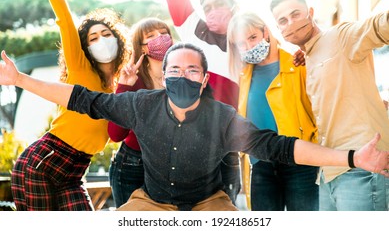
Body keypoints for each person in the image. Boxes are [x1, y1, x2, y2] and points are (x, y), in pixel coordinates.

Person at [1, 44, 388, 211]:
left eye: (191, 71)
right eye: (174, 71)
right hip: (150, 201)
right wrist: (20, 81)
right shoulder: (140, 104)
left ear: (204, 80)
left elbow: (282, 147)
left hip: (209, 202)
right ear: (164, 76)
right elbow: (81, 98)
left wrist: (353, 157)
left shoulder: (222, 118)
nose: (182, 77)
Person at [12, 0, 129, 210]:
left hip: (75, 173)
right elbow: (64, 17)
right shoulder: (80, 67)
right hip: (41, 164)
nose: (100, 40)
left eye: (106, 34)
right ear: (85, 47)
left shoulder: (121, 88)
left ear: (118, 39)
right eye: (93, 38)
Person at [270, 0, 389, 211]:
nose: (291, 23)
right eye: (283, 21)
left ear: (311, 13)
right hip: (329, 172)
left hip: (363, 169)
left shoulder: (341, 37)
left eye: (296, 14)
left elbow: (378, 26)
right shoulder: (308, 57)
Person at [157, 0, 241, 203]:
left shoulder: (252, 42)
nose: (213, 11)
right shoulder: (194, 30)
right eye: (207, 8)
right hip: (193, 141)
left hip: (230, 147)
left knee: (225, 208)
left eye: (219, 5)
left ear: (235, 8)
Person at [226, 11, 318, 211]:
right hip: (260, 164)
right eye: (242, 43)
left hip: (300, 160)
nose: (250, 46)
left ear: (265, 32)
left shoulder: (298, 64)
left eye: (253, 37)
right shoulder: (241, 76)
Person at [108, 17, 172, 208]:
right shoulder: (134, 81)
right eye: (151, 36)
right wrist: (124, 88)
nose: (160, 38)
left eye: (163, 32)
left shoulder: (183, 74)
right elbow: (115, 134)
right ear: (143, 47)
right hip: (132, 166)